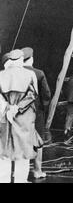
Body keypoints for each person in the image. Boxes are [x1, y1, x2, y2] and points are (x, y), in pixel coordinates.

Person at [0, 49, 42, 183]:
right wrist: (17, 107)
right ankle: (20, 180)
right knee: (23, 152)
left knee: (4, 151)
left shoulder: (1, 75)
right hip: (24, 117)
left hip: (4, 117)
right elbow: (33, 94)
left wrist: (8, 108)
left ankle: (4, 180)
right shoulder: (30, 75)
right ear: (21, 60)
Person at [22, 47, 51, 179]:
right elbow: (46, 95)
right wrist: (42, 109)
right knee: (38, 142)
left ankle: (20, 170)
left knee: (21, 139)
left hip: (19, 113)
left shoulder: (14, 73)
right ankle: (37, 170)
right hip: (36, 112)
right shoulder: (39, 73)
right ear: (32, 58)